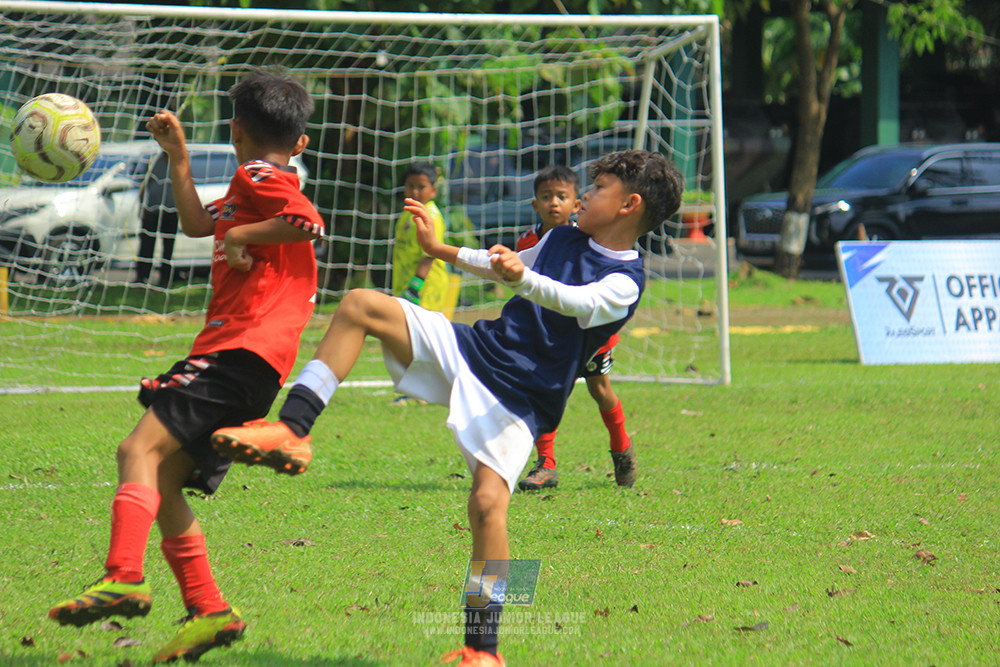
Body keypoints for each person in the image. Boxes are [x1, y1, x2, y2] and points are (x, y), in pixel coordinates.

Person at [211, 149, 683, 666]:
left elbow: (576, 301)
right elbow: (507, 264)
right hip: (476, 349)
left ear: (629, 205)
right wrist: (440, 248)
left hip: (523, 396)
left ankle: (483, 650)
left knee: (486, 506)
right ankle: (294, 428)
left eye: (599, 189)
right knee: (360, 306)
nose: (584, 195)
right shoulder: (562, 235)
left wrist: (520, 278)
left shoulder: (626, 281)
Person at [48, 68, 324, 664]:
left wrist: (245, 234)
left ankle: (123, 574)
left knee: (135, 452)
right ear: (300, 141)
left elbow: (308, 223)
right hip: (250, 361)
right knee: (166, 479)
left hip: (238, 351)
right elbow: (201, 224)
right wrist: (178, 160)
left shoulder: (259, 173)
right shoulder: (252, 182)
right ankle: (210, 611)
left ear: (234, 131)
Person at [514, 164, 636, 491]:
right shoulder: (526, 243)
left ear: (575, 204)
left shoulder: (589, 239)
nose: (554, 203)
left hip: (589, 336)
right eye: (546, 196)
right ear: (535, 205)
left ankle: (622, 448)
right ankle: (546, 465)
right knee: (544, 389)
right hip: (545, 333)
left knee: (600, 389)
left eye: (562, 196)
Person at [390, 160, 449, 405]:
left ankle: (421, 391)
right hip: (405, 283)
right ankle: (420, 390)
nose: (415, 191)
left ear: (433, 190)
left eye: (421, 187)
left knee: (421, 338)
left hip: (426, 286)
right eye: (410, 185)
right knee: (410, 336)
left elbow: (430, 253)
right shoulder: (408, 211)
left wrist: (416, 284)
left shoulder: (431, 216)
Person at [135, 150, 180, 286]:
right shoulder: (153, 161)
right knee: (146, 244)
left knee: (168, 247)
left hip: (171, 211)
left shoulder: (178, 162)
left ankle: (165, 278)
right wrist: (142, 206)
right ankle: (141, 277)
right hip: (152, 210)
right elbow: (143, 185)